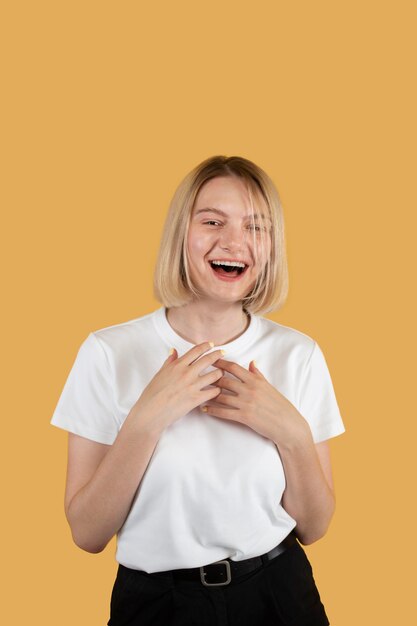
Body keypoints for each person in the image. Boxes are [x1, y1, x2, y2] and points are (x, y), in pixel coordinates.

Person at [50, 155, 345, 625]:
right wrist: (145, 422)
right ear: (179, 235)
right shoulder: (107, 352)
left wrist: (290, 432)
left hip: (279, 593)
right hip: (156, 604)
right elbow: (86, 533)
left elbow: (315, 526)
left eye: (256, 227)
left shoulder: (299, 354)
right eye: (212, 221)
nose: (234, 241)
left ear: (271, 246)